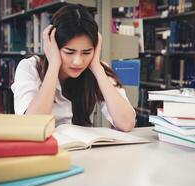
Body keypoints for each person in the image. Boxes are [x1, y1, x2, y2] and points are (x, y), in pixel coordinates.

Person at [11, 4, 135, 132]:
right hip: (44, 151)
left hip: (83, 151)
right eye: (69, 52)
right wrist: (54, 65)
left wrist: (97, 68)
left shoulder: (97, 69)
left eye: (86, 52)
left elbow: (126, 123)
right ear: (53, 46)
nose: (78, 62)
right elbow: (32, 126)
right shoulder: (30, 68)